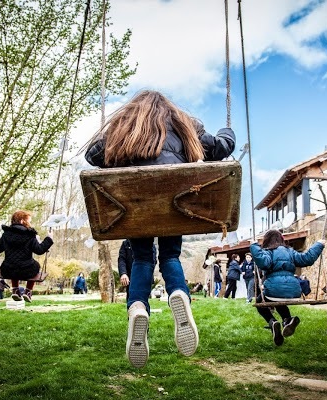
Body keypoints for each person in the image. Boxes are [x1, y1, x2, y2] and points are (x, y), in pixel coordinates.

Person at [85, 89, 235, 368]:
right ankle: (178, 294)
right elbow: (219, 149)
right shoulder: (184, 124)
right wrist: (228, 132)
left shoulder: (124, 128)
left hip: (134, 209)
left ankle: (138, 307)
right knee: (169, 257)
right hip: (173, 207)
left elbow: (93, 156)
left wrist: (113, 129)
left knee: (142, 258)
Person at [250, 229, 325, 346]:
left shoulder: (268, 252)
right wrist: (319, 245)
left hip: (273, 291)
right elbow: (307, 258)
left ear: (267, 241)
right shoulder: (290, 252)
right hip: (294, 292)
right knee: (280, 301)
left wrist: (254, 246)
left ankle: (273, 322)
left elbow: (263, 262)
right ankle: (287, 320)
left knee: (261, 302)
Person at [0, 210, 53, 303]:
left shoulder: (6, 234)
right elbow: (40, 250)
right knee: (36, 266)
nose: (30, 223)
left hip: (8, 270)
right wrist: (49, 239)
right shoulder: (29, 235)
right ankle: (28, 291)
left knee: (14, 264)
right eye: (29, 221)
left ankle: (15, 290)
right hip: (27, 270)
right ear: (22, 221)